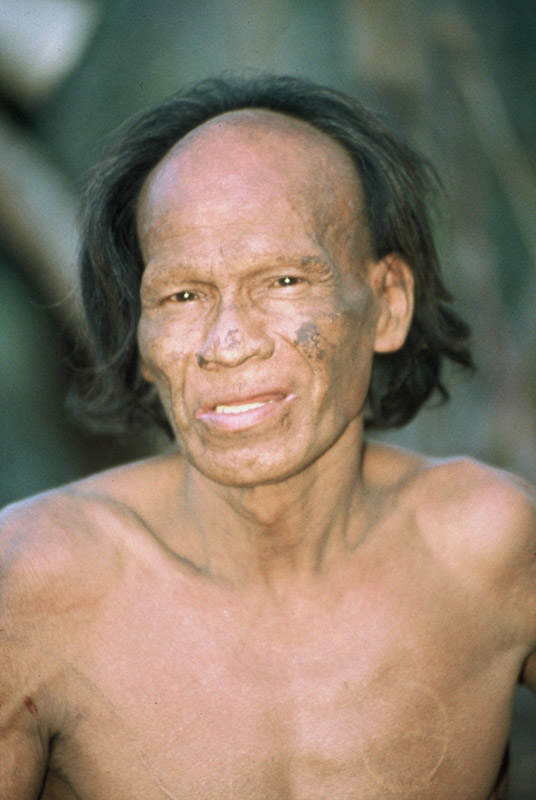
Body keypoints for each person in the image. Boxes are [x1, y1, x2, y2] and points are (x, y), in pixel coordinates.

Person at [1, 74, 534, 800]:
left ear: (387, 304)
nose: (227, 343)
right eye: (182, 295)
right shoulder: (35, 582)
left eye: (284, 281)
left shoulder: (490, 547)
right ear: (142, 338)